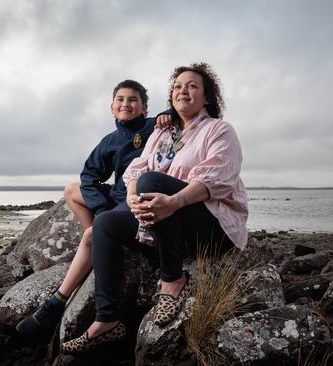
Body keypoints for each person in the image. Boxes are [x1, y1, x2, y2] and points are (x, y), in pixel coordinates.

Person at [60, 62, 248, 354]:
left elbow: (219, 179)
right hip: (166, 225)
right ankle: (106, 320)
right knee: (105, 223)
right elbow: (136, 168)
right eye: (177, 86)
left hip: (210, 225)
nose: (182, 90)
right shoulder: (162, 133)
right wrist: (133, 197)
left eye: (192, 86)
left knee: (152, 181)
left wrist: (175, 200)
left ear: (207, 98)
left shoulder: (219, 130)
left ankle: (172, 279)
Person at [16, 80, 172, 339]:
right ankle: (96, 236)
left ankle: (55, 303)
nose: (126, 104)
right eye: (120, 100)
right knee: (71, 190)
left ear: (144, 108)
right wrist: (101, 207)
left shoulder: (152, 126)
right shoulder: (109, 141)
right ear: (112, 107)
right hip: (117, 197)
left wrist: (168, 114)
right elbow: (89, 175)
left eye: (133, 99)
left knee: (91, 234)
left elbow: (179, 113)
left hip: (139, 196)